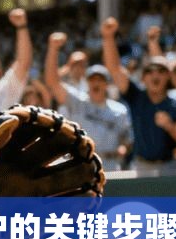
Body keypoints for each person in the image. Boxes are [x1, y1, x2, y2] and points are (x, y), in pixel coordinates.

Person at [100, 17, 176, 175]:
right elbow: (114, 69)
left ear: (168, 77)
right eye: (150, 71)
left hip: (170, 167)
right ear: (143, 77)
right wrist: (108, 37)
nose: (155, 75)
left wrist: (170, 127)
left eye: (161, 71)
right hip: (141, 167)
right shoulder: (136, 96)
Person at [43, 33, 130, 167]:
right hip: (82, 163)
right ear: (87, 82)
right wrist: (53, 49)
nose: (96, 83)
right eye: (92, 79)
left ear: (107, 84)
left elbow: (127, 138)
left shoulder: (119, 110)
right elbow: (52, 82)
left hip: (111, 163)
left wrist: (124, 147)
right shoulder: (77, 102)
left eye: (100, 80)